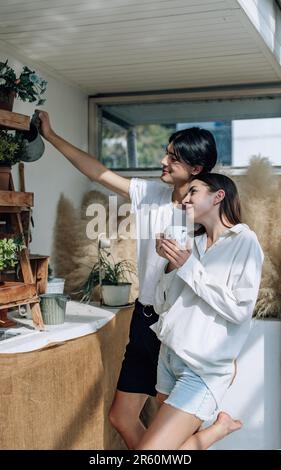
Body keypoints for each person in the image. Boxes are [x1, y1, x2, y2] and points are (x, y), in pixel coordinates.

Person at [38, 111, 217, 448]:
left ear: (196, 169)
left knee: (174, 433)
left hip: (180, 328)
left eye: (173, 158)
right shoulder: (150, 194)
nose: (163, 161)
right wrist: (50, 135)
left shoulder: (209, 212)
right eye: (166, 152)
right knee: (121, 418)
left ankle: (212, 433)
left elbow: (221, 283)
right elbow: (97, 170)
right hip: (144, 317)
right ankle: (207, 436)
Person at [136, 173, 264, 450]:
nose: (185, 198)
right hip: (168, 357)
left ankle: (216, 432)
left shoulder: (244, 241)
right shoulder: (190, 244)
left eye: (193, 191)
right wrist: (169, 265)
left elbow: (240, 310)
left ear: (218, 196)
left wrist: (187, 266)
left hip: (202, 368)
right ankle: (218, 430)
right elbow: (162, 305)